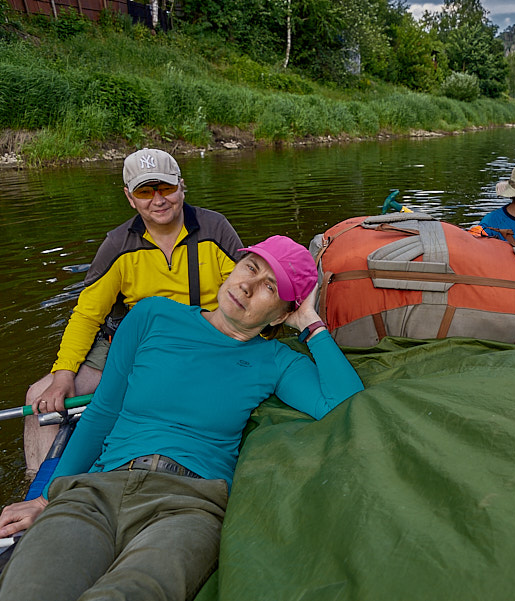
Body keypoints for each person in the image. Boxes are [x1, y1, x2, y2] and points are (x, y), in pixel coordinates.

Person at [0, 236, 364, 601]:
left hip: (188, 507)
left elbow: (345, 404)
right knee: (28, 590)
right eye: (250, 267)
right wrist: (47, 498)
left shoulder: (276, 360)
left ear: (283, 313)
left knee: (131, 594)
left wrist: (311, 324)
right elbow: (103, 412)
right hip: (99, 490)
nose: (247, 286)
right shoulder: (152, 315)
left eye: (270, 287)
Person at [24, 148, 243, 474]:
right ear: (130, 197)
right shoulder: (117, 245)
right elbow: (87, 315)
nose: (158, 200)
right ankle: (37, 486)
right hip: (135, 346)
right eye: (145, 191)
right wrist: (63, 376)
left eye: (166, 188)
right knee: (37, 396)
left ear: (182, 187)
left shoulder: (216, 230)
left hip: (203, 342)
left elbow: (247, 292)